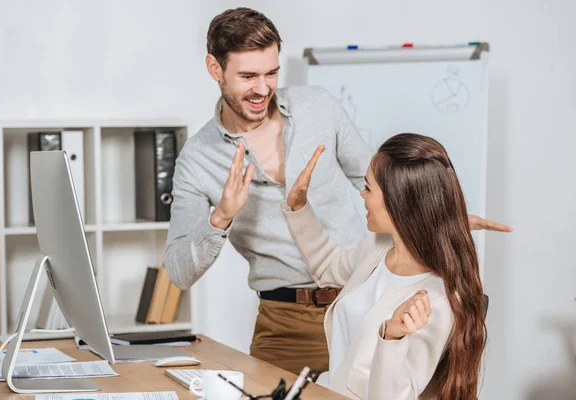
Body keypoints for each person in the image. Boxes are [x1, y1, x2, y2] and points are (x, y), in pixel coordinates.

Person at [163, 7, 510, 375]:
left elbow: (377, 181)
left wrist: (437, 215)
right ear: (214, 69)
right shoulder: (196, 160)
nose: (263, 89)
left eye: (272, 73)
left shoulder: (318, 107)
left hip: (360, 299)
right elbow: (179, 272)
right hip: (285, 324)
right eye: (248, 76)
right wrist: (221, 217)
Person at [280, 133, 488, 399]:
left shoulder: (434, 301)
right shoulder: (378, 247)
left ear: (397, 200)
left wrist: (392, 338)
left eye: (368, 187)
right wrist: (298, 208)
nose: (361, 194)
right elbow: (328, 267)